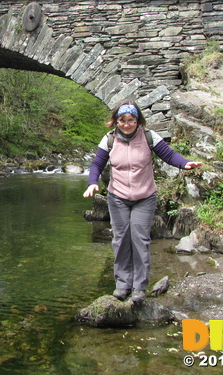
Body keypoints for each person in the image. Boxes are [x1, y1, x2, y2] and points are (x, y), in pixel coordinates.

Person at [83, 100, 203, 304]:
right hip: (117, 197)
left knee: (140, 239)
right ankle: (122, 285)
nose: (126, 124)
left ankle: (139, 288)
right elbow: (97, 163)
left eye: (131, 120)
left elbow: (169, 155)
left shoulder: (148, 136)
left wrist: (185, 163)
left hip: (144, 198)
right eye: (122, 120)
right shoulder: (109, 140)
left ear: (138, 120)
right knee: (120, 240)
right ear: (116, 121)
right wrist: (92, 182)